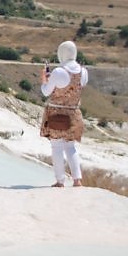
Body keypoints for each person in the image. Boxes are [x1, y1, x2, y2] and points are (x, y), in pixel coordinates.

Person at [40, 40, 88, 187]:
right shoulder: (83, 72)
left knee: (57, 147)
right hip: (74, 113)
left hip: (57, 113)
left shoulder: (58, 72)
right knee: (70, 146)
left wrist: (44, 79)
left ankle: (60, 180)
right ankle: (77, 179)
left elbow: (46, 91)